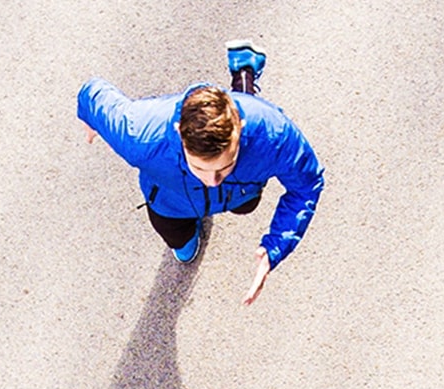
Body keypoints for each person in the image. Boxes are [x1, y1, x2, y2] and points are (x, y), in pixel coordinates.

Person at [77, 41, 325, 305]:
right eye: (199, 167)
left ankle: (244, 79)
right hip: (170, 203)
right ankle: (244, 72)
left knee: (246, 206)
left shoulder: (273, 136)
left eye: (225, 166)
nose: (212, 181)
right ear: (178, 132)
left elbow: (306, 185)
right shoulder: (139, 136)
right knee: (181, 246)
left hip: (240, 193)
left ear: (240, 129)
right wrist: (89, 117)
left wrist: (276, 247)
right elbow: (92, 93)